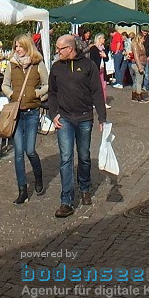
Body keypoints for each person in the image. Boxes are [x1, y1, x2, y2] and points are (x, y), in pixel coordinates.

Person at [47, 34, 106, 218]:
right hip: (64, 118)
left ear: (70, 48)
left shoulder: (88, 66)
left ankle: (85, 187)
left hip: (84, 117)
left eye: (60, 49)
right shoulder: (56, 68)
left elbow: (97, 92)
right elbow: (52, 93)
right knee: (66, 158)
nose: (57, 52)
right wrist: (53, 114)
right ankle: (66, 200)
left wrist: (102, 117)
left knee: (84, 155)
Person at [2, 34, 49, 204]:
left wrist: (37, 94)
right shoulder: (12, 64)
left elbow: (47, 84)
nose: (17, 49)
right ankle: (22, 189)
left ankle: (38, 176)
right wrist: (11, 94)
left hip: (32, 112)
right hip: (17, 113)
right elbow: (4, 84)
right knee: (19, 152)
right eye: (15, 47)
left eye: (20, 46)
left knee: (30, 150)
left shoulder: (38, 63)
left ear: (27, 46)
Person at [88, 33, 111, 108]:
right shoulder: (93, 48)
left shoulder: (103, 48)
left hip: (103, 69)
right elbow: (93, 60)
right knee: (95, 86)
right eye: (103, 38)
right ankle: (94, 102)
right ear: (99, 39)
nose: (104, 40)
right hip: (96, 69)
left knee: (103, 86)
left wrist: (105, 56)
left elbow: (107, 59)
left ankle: (103, 102)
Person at [129, 29, 147, 100]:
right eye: (143, 38)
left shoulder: (139, 45)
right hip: (138, 64)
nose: (144, 40)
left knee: (136, 80)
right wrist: (140, 67)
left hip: (140, 63)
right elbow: (136, 57)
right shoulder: (136, 45)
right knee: (139, 81)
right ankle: (139, 95)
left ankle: (134, 94)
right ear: (139, 38)